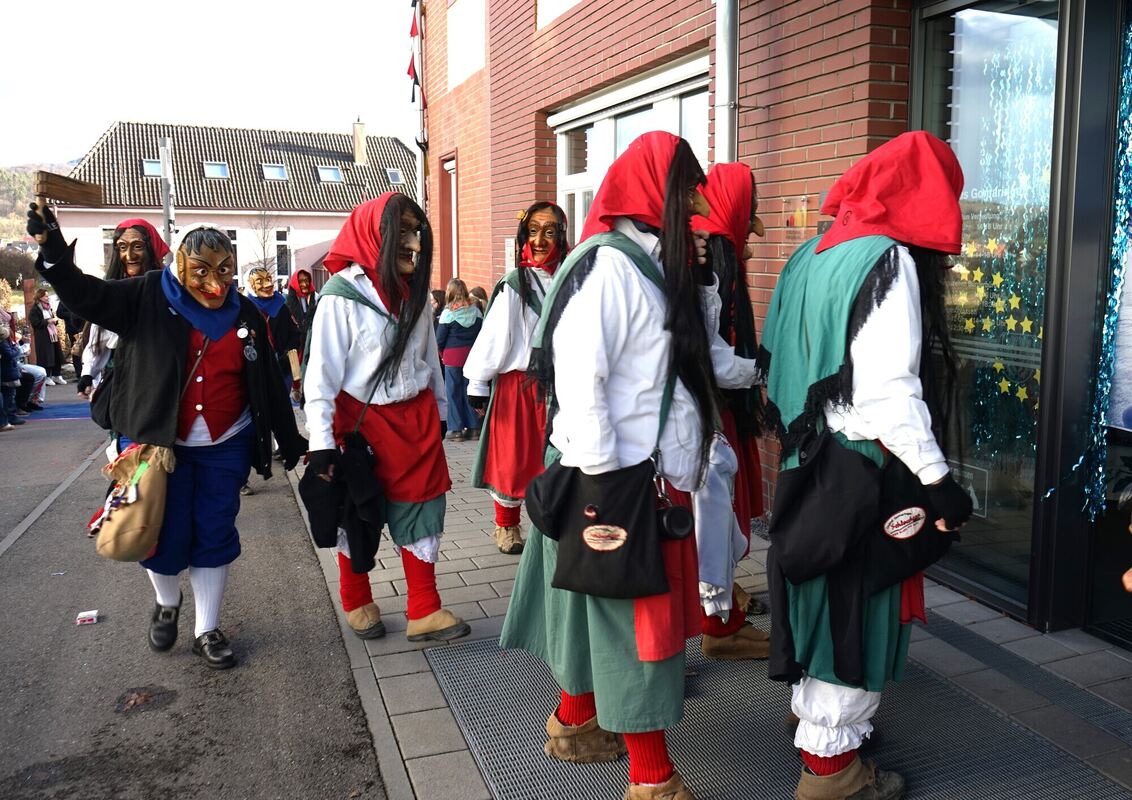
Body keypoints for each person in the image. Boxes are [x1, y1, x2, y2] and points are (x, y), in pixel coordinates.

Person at [500, 131, 720, 800]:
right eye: (684, 190)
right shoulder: (612, 269)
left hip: (626, 478)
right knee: (636, 634)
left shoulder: (640, 263)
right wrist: (602, 494)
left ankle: (573, 722)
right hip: (618, 483)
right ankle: (653, 781)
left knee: (592, 614)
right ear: (656, 194)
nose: (694, 204)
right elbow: (582, 378)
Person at [761, 131, 975, 800]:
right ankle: (831, 773)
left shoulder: (811, 253)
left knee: (822, 599)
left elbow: (777, 359)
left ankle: (821, 736)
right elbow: (887, 392)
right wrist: (938, 482)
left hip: (806, 460)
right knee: (856, 606)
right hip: (861, 469)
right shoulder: (887, 260)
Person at [28, 204, 307, 670]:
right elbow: (84, 294)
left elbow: (267, 386)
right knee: (161, 533)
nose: (215, 283)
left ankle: (207, 629)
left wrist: (293, 442)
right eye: (201, 271)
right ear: (179, 266)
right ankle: (167, 601)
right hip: (161, 446)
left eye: (224, 271)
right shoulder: (144, 296)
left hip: (227, 443)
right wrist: (54, 251)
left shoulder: (247, 314)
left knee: (214, 532)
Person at [304, 192, 471, 644]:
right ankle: (356, 599)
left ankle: (424, 609)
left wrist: (439, 411)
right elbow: (319, 378)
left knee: (423, 505)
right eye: (403, 232)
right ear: (374, 236)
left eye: (417, 232)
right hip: (361, 424)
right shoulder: (340, 298)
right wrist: (319, 442)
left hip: (414, 422)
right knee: (355, 510)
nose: (414, 243)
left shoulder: (412, 295)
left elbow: (429, 359)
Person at [688, 161, 772, 661]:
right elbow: (713, 351)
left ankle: (722, 607)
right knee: (714, 513)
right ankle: (717, 621)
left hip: (712, 406)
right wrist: (762, 371)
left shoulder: (715, 247)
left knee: (719, 515)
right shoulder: (713, 251)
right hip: (708, 411)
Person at [463, 201, 568, 555]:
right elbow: (494, 336)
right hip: (519, 387)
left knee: (555, 455)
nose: (540, 240)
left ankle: (550, 520)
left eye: (550, 232)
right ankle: (506, 526)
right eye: (534, 231)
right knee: (514, 458)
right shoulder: (514, 285)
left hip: (563, 384)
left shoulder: (572, 278)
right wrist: (477, 383)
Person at [77, 219, 170, 439]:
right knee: (125, 439)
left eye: (137, 247)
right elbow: (97, 338)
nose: (129, 256)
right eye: (122, 247)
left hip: (160, 371)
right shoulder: (111, 291)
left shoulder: (169, 290)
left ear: (151, 248)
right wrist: (88, 373)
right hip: (121, 371)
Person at [435, 278, 482, 441]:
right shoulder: (476, 312)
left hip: (453, 358)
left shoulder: (448, 314)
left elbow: (439, 339)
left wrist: (441, 353)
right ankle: (474, 427)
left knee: (453, 393)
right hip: (472, 357)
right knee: (470, 391)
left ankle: (456, 430)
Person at [28, 288, 64, 384]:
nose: (48, 298)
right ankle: (47, 376)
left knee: (56, 354)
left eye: (48, 296)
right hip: (43, 336)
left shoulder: (48, 307)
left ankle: (57, 375)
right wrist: (48, 321)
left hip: (53, 334)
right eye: (46, 296)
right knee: (46, 356)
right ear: (40, 297)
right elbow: (35, 322)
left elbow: (51, 318)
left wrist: (54, 320)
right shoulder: (35, 309)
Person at [0, 321, 26, 430]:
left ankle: (9, 416)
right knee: (8, 394)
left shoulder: (6, 340)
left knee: (9, 394)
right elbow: (10, 354)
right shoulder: (3, 342)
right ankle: (8, 417)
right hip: (7, 370)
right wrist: (17, 349)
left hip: (9, 369)